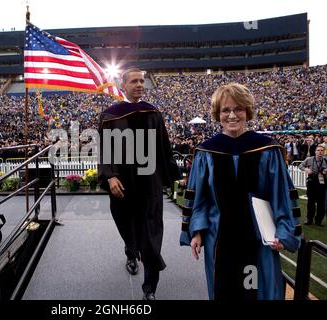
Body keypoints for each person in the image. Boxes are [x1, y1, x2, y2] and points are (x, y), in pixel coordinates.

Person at [180, 83, 301, 300]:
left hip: (257, 239)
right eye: (226, 110)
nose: (232, 115)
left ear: (247, 112)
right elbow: (200, 199)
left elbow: (281, 196)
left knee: (254, 290)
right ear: (218, 114)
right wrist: (196, 230)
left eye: (238, 109)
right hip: (219, 238)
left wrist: (283, 232)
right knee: (224, 291)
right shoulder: (207, 151)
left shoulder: (267, 149)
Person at [98, 68, 181, 300]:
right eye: (134, 81)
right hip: (122, 182)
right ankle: (131, 252)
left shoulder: (152, 113)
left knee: (152, 231)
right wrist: (109, 175)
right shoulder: (110, 115)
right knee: (126, 223)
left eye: (142, 81)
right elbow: (104, 149)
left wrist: (175, 174)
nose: (139, 84)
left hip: (149, 182)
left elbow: (164, 147)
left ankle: (150, 288)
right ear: (123, 85)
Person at [298, 145, 327, 226]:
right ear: (315, 152)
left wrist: (325, 171)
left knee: (321, 203)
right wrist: (306, 169)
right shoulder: (309, 159)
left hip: (322, 184)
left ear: (324, 152)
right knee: (311, 202)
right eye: (318, 150)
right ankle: (309, 219)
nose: (320, 152)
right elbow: (300, 166)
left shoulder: (325, 160)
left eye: (321, 150)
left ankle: (319, 220)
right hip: (312, 183)